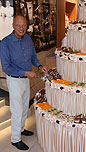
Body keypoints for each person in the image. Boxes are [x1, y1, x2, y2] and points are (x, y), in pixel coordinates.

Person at [0, 14, 47, 150]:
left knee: (25, 107)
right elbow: (6, 68)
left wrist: (39, 66)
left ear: (27, 26)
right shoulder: (5, 43)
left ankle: (20, 129)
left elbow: (33, 56)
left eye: (23, 25)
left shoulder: (27, 39)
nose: (21, 28)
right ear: (13, 26)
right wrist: (26, 73)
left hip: (26, 80)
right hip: (14, 80)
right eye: (18, 25)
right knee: (17, 110)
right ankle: (15, 139)